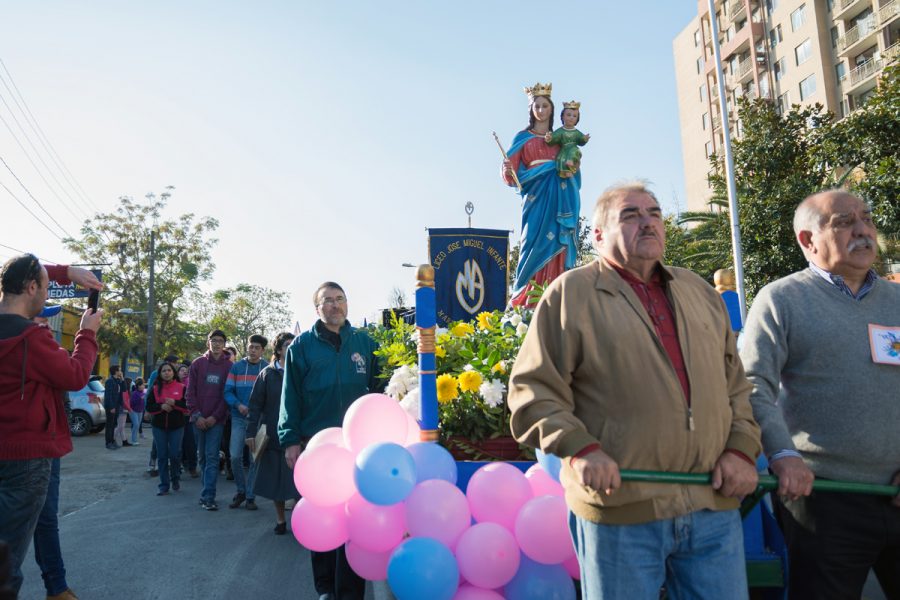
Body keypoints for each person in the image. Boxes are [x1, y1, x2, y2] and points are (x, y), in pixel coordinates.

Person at [507, 183, 761, 599]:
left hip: (710, 505)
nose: (647, 222)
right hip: (621, 510)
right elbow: (532, 391)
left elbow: (737, 387)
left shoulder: (699, 292)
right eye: (630, 215)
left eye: (655, 213)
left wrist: (740, 448)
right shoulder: (571, 294)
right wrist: (581, 448)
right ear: (598, 235)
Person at [740, 190, 900, 599]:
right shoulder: (781, 300)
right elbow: (752, 383)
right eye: (845, 222)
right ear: (807, 241)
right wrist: (783, 454)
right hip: (823, 496)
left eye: (866, 218)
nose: (863, 231)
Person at [0, 253, 101, 595]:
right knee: (6, 561)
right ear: (31, 288)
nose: (47, 295)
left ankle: (57, 587)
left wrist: (67, 272)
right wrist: (86, 334)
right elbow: (75, 375)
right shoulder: (32, 338)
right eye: (44, 287)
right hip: (27, 455)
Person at [280, 282, 381, 600]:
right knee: (324, 520)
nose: (335, 305)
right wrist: (290, 439)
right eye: (328, 301)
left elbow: (380, 390)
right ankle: (325, 588)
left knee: (354, 521)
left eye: (340, 299)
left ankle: (350, 593)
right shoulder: (301, 347)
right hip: (317, 447)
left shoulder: (365, 342)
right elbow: (290, 397)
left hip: (357, 448)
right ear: (317, 308)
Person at [502, 82, 581, 306]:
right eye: (537, 106)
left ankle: (555, 297)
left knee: (558, 241)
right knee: (531, 244)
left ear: (551, 109)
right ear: (531, 109)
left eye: (545, 106)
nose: (541, 110)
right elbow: (511, 173)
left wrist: (571, 164)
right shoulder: (522, 138)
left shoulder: (560, 137)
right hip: (535, 198)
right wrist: (507, 171)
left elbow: (573, 165)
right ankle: (526, 300)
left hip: (560, 198)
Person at [247, 332, 297, 534]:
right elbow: (255, 406)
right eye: (287, 344)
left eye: (294, 344)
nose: (291, 347)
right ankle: (280, 520)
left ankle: (303, 522)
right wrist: (250, 433)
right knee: (277, 484)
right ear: (278, 350)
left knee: (300, 484)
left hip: (298, 437)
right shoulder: (267, 374)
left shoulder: (302, 372)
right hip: (274, 437)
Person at [187, 329, 233, 511]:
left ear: (224, 344)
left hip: (217, 421)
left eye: (220, 341)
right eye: (213, 340)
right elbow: (190, 392)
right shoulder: (197, 364)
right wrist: (196, 415)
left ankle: (208, 496)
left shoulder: (229, 366)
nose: (216, 344)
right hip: (197, 419)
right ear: (208, 343)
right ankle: (205, 492)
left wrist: (215, 417)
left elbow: (227, 395)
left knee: (212, 457)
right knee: (203, 458)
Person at [224, 334, 269, 510]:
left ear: (262, 350)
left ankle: (250, 496)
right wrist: (238, 404)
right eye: (251, 347)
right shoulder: (236, 367)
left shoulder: (266, 368)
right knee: (234, 456)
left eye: (257, 348)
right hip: (238, 418)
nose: (253, 350)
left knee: (254, 460)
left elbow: (270, 395)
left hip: (258, 422)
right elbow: (227, 391)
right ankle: (241, 491)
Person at [145, 362, 188, 495]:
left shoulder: (182, 387)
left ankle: (175, 478)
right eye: (164, 371)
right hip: (159, 427)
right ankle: (164, 485)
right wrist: (161, 407)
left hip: (177, 426)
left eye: (169, 370)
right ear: (160, 373)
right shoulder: (155, 388)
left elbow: (187, 406)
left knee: (175, 455)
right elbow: (149, 406)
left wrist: (174, 403)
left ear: (173, 372)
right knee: (162, 456)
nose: (167, 373)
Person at [544, 101, 589, 179]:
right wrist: (549, 139)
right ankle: (565, 171)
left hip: (574, 148)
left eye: (574, 116)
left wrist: (584, 139)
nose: (571, 117)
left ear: (577, 119)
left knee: (574, 152)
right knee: (561, 158)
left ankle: (571, 164)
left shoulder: (576, 132)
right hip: (564, 149)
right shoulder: (560, 131)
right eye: (568, 115)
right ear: (563, 117)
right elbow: (554, 138)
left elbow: (580, 140)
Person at [178, 363, 198, 478]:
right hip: (177, 418)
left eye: (186, 370)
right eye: (182, 370)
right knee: (178, 445)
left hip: (189, 418)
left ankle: (192, 467)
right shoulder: (174, 384)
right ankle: (178, 467)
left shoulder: (191, 383)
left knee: (191, 443)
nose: (185, 372)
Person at [103, 366, 126, 450]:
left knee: (114, 424)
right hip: (111, 406)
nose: (121, 371)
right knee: (109, 425)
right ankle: (108, 442)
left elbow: (124, 389)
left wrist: (122, 378)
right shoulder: (110, 381)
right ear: (115, 372)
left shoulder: (118, 381)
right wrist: (111, 407)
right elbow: (108, 395)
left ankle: (112, 441)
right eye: (120, 370)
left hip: (117, 405)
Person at [128, 378, 146, 446]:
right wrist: (140, 398)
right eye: (142, 385)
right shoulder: (135, 393)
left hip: (140, 411)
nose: (144, 386)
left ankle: (134, 439)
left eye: (144, 385)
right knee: (136, 424)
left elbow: (143, 403)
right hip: (133, 411)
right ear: (138, 386)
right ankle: (133, 440)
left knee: (137, 425)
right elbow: (131, 403)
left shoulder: (143, 393)